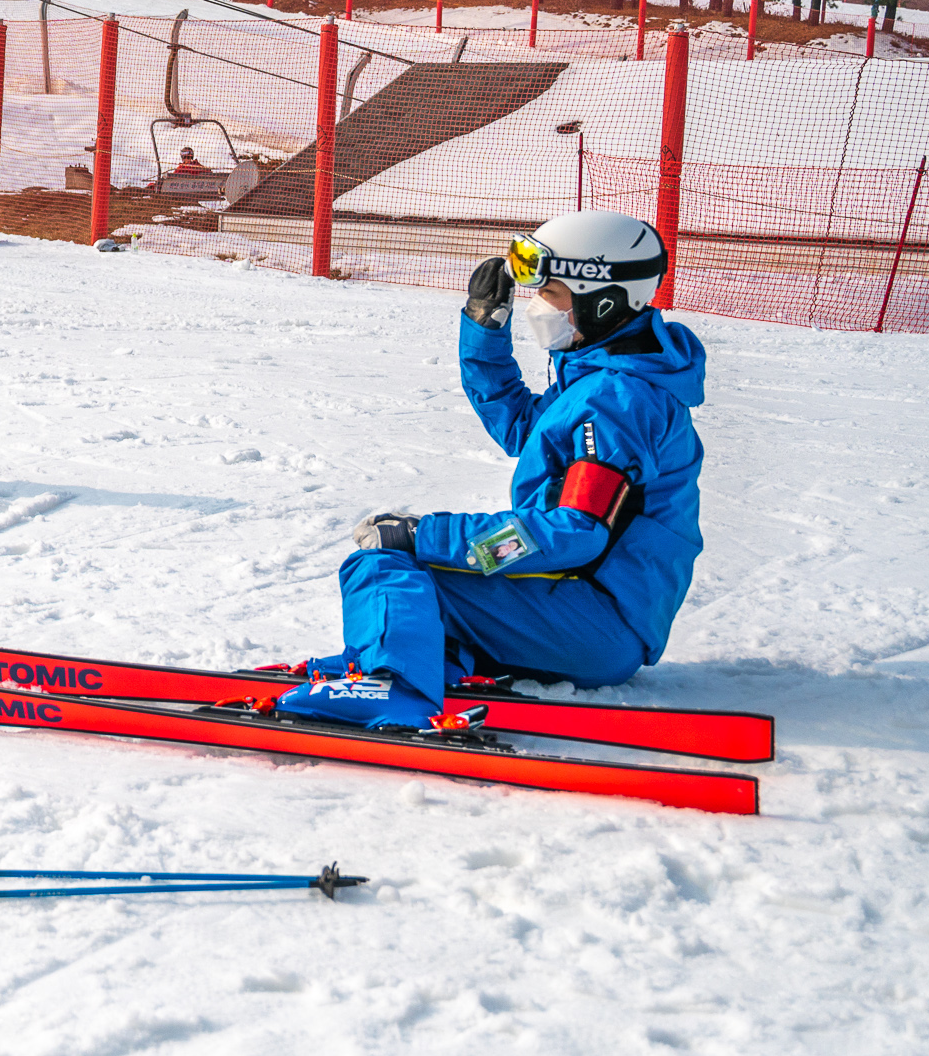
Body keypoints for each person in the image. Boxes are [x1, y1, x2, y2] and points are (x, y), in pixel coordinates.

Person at [276, 211, 706, 730]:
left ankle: (396, 688)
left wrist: (425, 535)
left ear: (604, 301)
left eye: (551, 293)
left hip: (596, 620)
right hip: (587, 607)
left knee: (387, 565)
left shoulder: (619, 399)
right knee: (421, 574)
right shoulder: (602, 370)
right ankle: (424, 662)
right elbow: (525, 428)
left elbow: (576, 532)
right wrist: (485, 332)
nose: (537, 306)